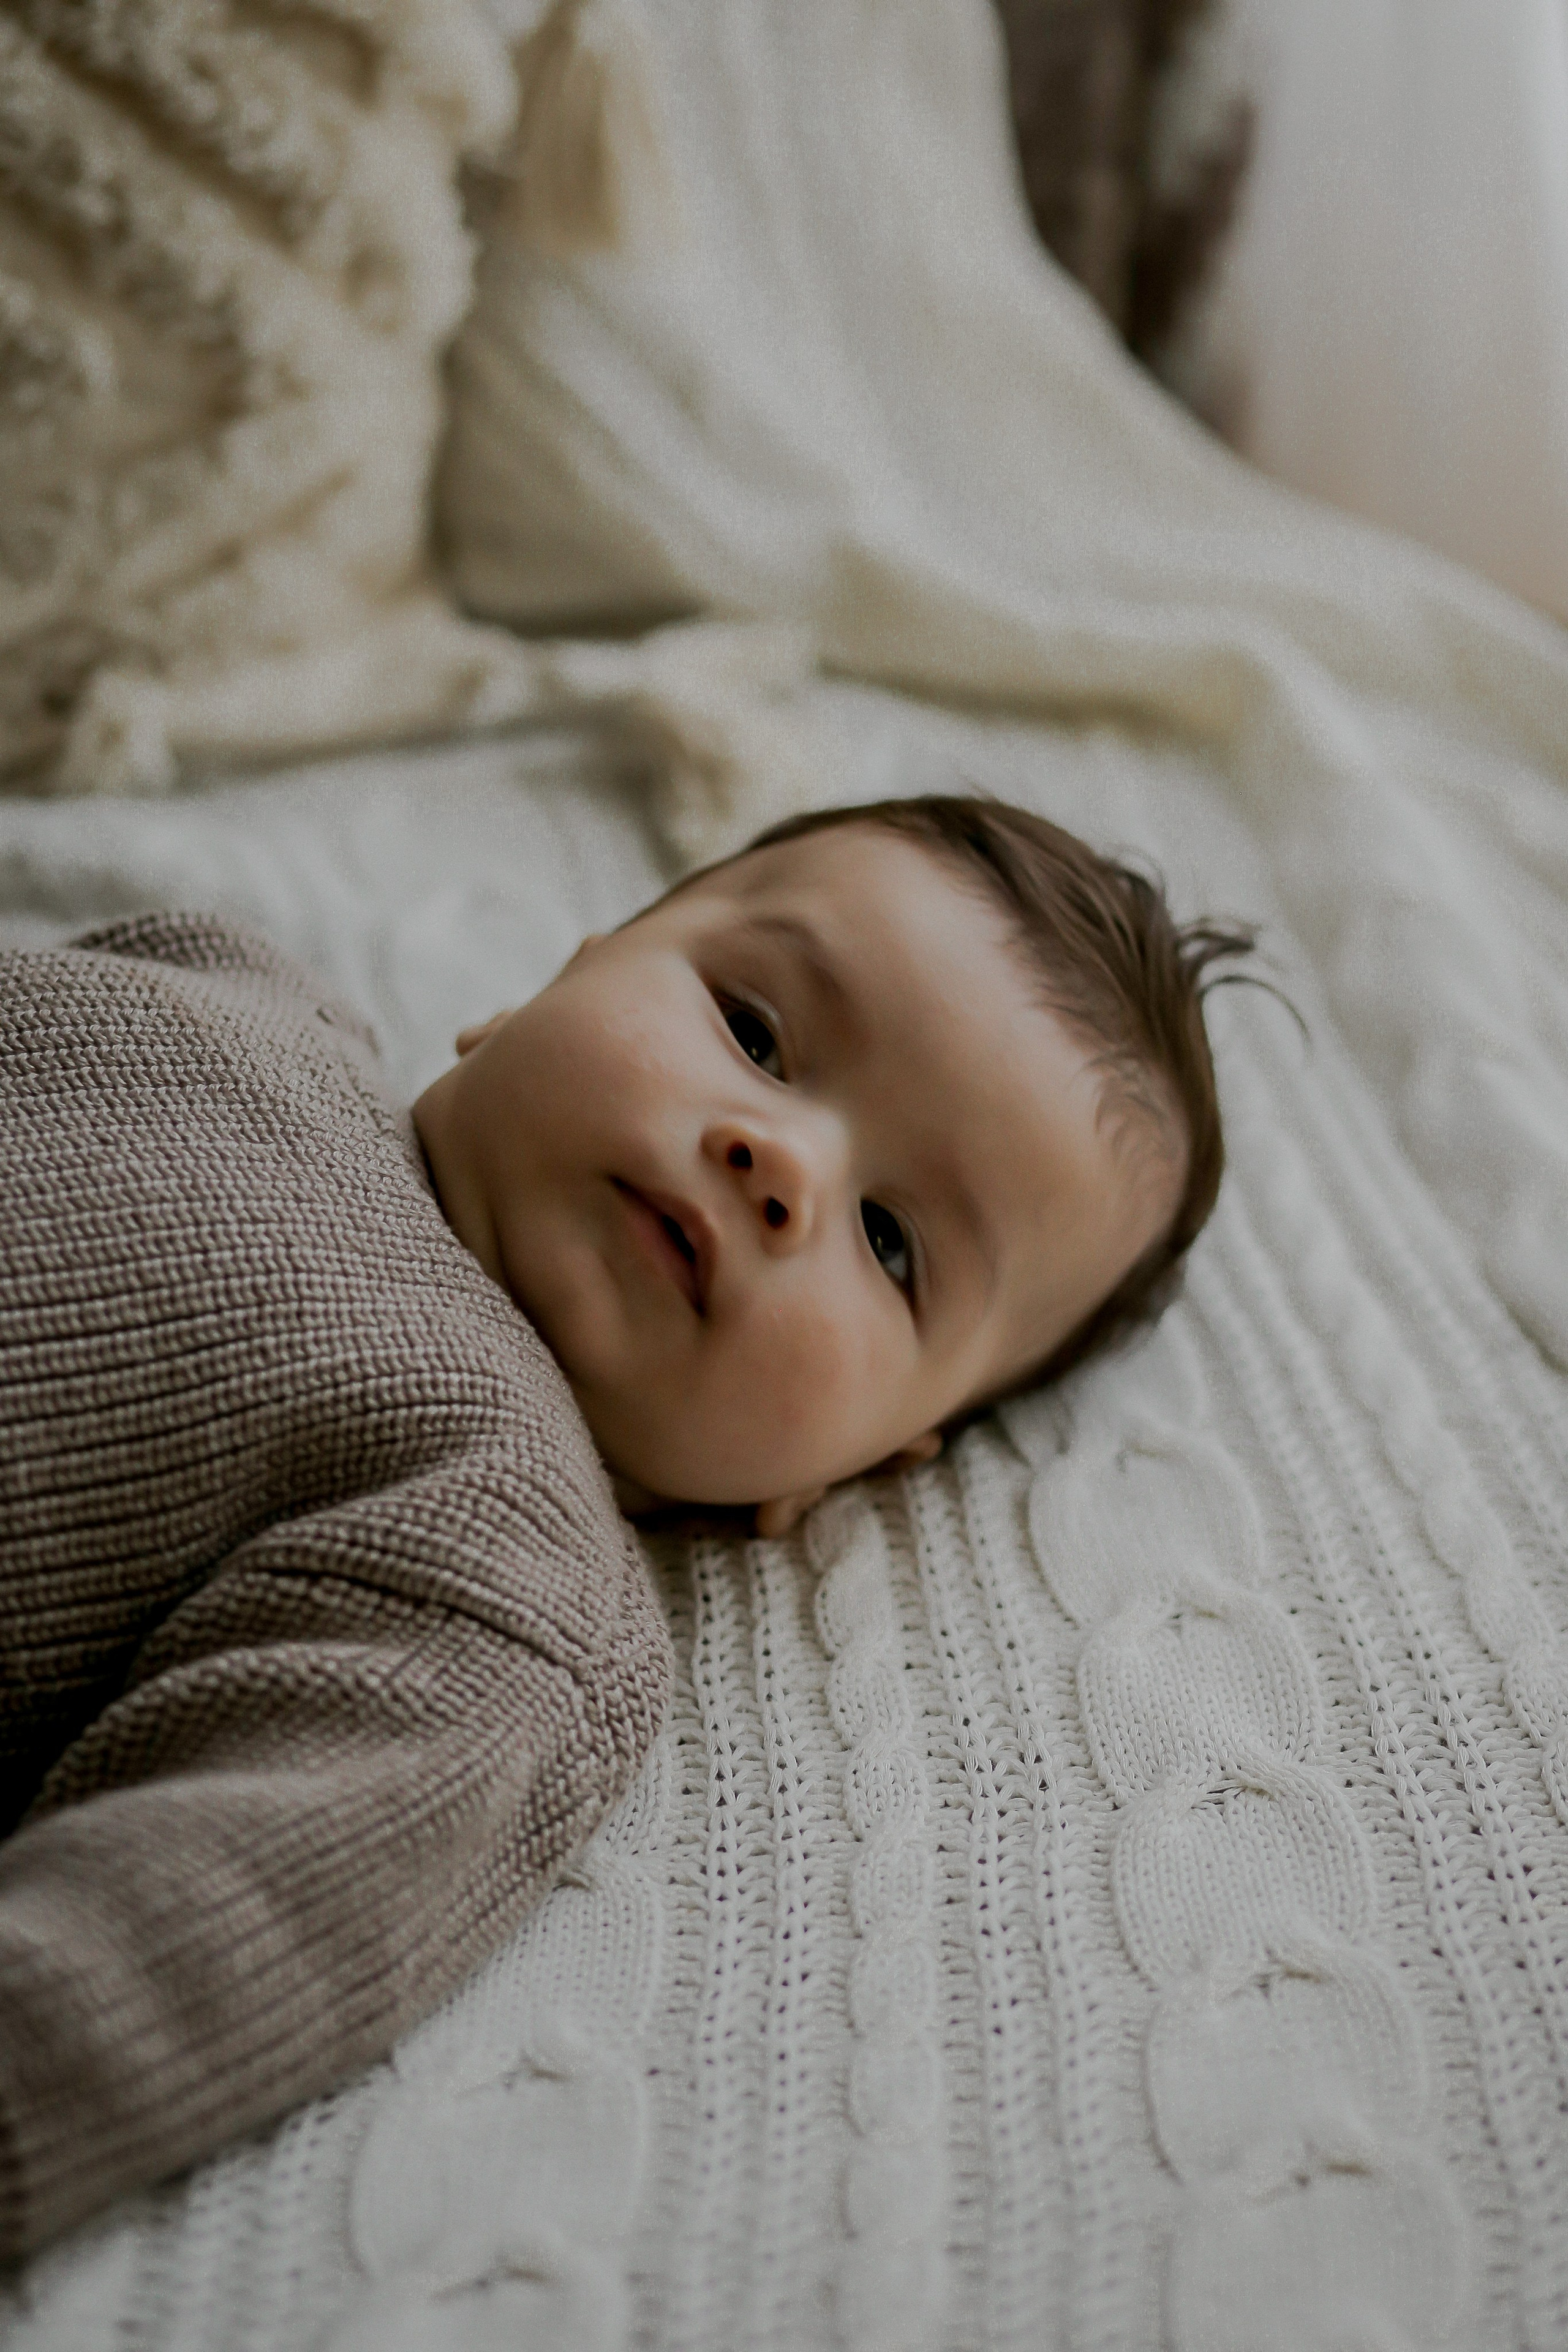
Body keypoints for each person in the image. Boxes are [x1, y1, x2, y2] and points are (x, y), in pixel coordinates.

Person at [0, 793, 1252, 2263]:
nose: (779, 1162)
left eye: (893, 1243)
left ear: (856, 1469)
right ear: (565, 970)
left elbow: (169, 1944)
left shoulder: (507, 1579)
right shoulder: (220, 985)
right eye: (754, 1031)